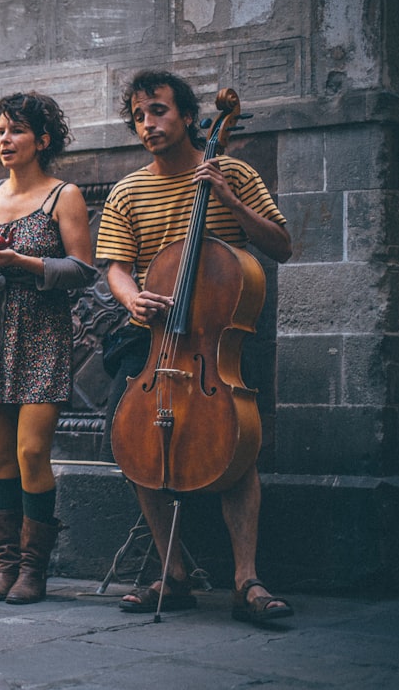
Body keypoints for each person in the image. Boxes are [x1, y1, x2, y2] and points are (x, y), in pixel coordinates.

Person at [96, 69, 294, 623]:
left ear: (187, 116)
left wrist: (228, 197)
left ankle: (246, 580)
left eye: (158, 111)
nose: (148, 124)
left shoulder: (231, 170)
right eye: (138, 116)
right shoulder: (128, 191)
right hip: (155, 340)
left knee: (238, 449)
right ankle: (173, 574)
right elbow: (115, 263)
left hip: (217, 338)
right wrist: (131, 298)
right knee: (140, 449)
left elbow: (281, 244)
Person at [0, 92, 96, 604]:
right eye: (0, 131)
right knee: (0, 453)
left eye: (15, 131)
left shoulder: (63, 195)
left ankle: (34, 570)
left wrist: (20, 260)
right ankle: (5, 566)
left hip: (41, 329)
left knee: (33, 450)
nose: (4, 140)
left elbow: (83, 269)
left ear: (43, 140)